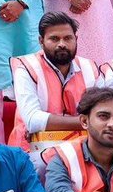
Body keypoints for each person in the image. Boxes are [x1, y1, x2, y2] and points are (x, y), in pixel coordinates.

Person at [9, 12, 102, 145]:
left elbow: (103, 111)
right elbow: (33, 120)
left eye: (68, 38)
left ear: (76, 39)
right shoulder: (26, 67)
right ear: (41, 41)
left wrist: (95, 120)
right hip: (33, 147)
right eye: (54, 39)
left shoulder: (90, 68)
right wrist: (89, 122)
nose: (62, 44)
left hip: (82, 145)